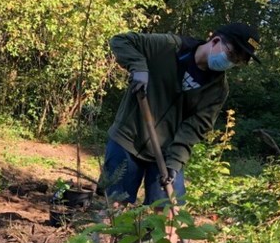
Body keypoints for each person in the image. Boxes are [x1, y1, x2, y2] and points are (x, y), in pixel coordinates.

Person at [99, 22, 261, 205]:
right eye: (231, 55)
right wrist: (139, 67)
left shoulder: (217, 90)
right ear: (215, 41)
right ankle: (107, 234)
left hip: (167, 152)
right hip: (127, 139)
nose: (229, 63)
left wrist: (174, 163)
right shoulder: (169, 47)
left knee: (168, 216)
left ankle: (156, 233)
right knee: (114, 207)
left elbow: (194, 129)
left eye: (236, 61)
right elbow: (121, 40)